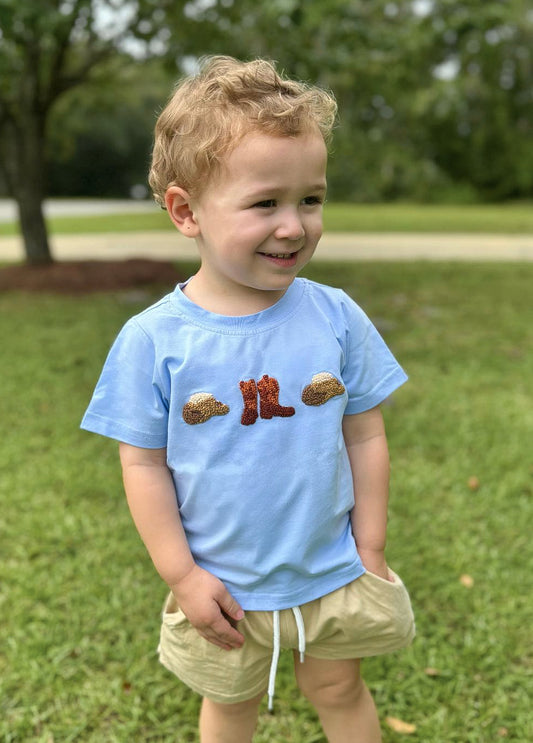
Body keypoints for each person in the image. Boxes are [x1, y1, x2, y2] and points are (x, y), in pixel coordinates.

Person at [81, 56, 415, 743]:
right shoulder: (154, 339)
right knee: (228, 705)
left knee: (338, 684)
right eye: (265, 203)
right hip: (222, 585)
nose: (293, 226)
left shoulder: (335, 315)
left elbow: (364, 434)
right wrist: (182, 575)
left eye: (310, 199)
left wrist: (370, 544)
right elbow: (143, 466)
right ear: (186, 211)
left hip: (330, 566)